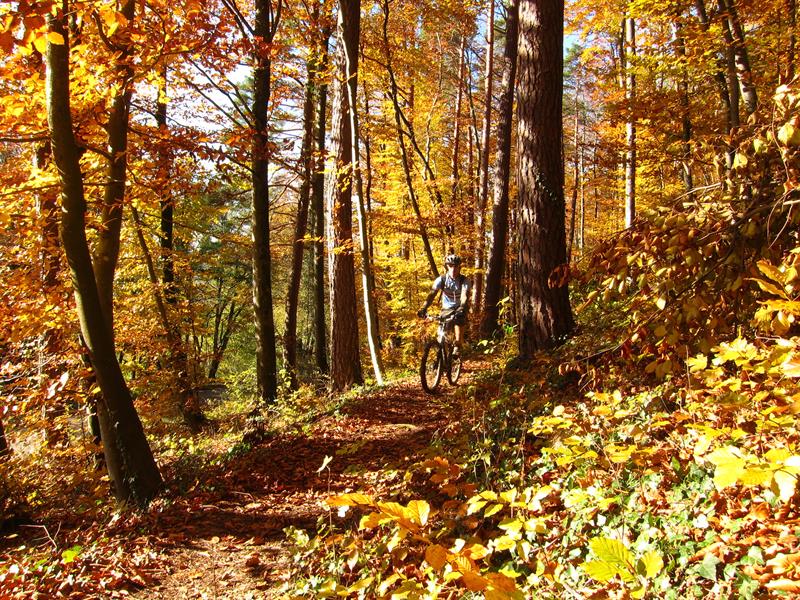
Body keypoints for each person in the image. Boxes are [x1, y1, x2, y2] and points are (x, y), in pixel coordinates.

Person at [417, 254, 470, 354]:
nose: (453, 269)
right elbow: (431, 295)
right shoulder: (441, 280)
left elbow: (464, 296)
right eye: (450, 266)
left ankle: (458, 345)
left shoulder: (464, 281)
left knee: (459, 320)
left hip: (460, 307)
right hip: (447, 308)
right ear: (447, 266)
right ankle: (441, 357)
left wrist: (462, 307)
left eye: (455, 266)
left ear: (459, 267)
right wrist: (424, 307)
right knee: (442, 333)